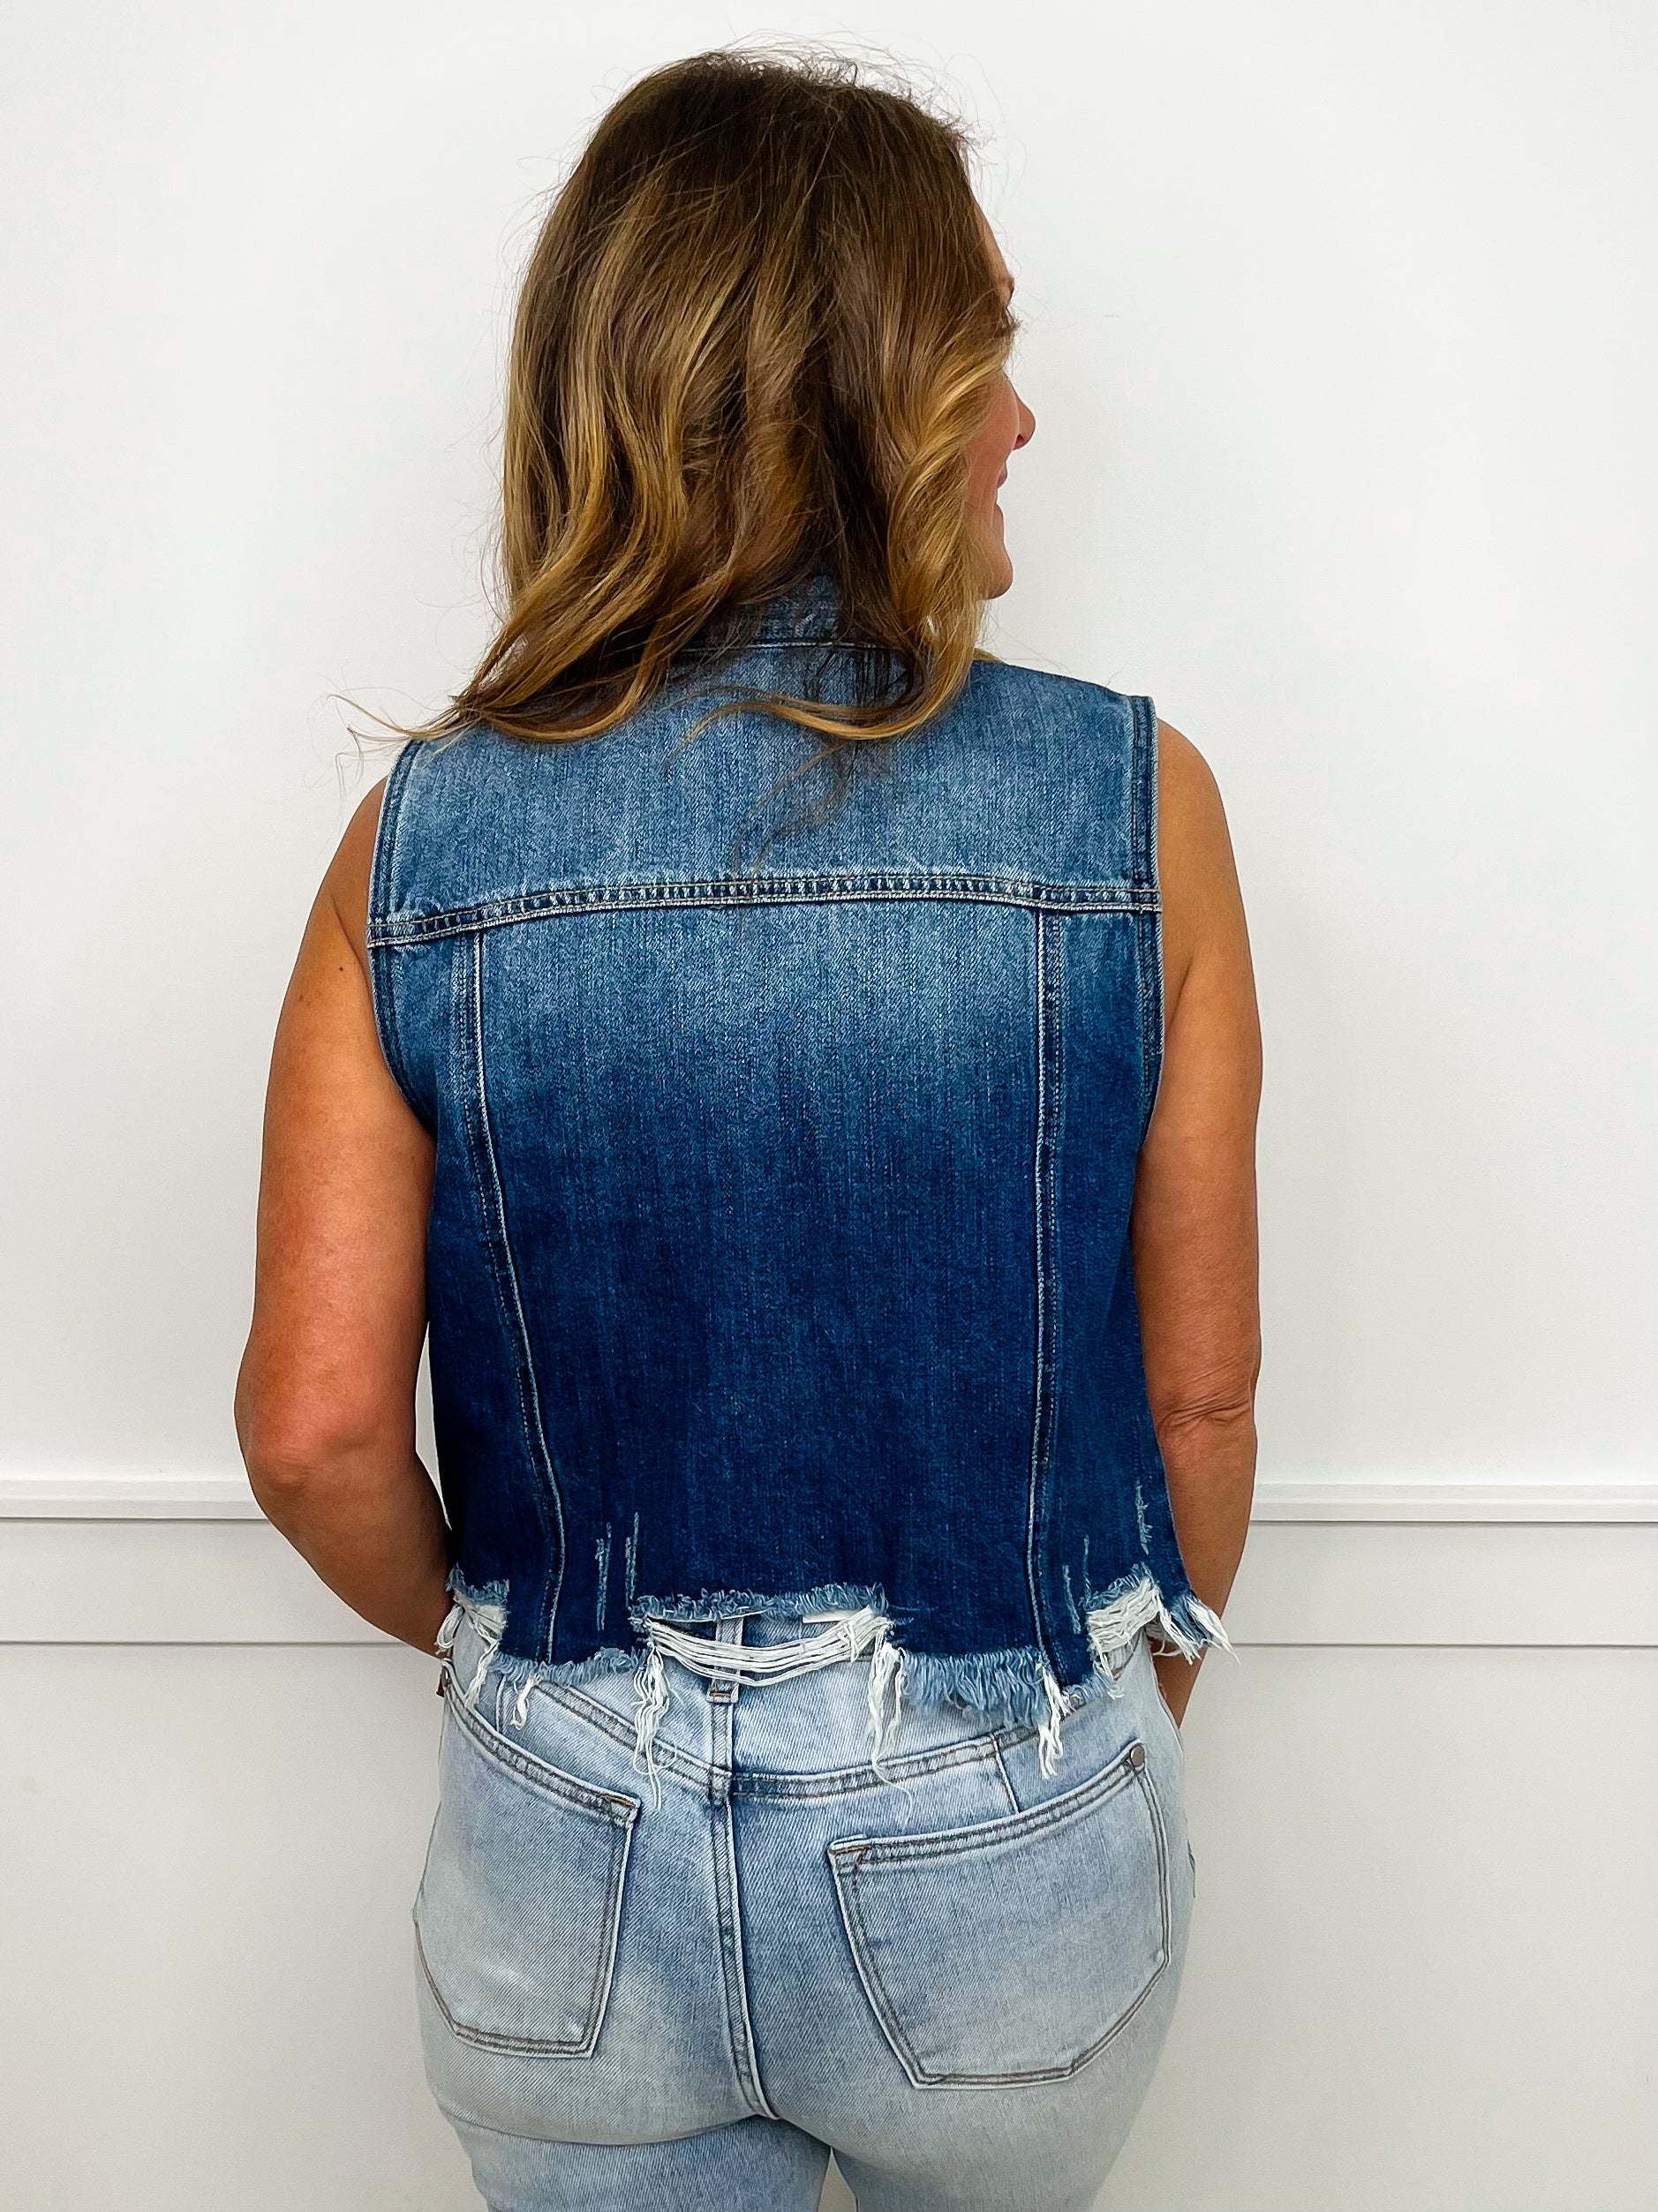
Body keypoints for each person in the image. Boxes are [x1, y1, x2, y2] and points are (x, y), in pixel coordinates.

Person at [236, 46, 1262, 2212]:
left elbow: (316, 1434)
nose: (1024, 419)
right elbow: (1200, 1399)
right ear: (872, 394)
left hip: (565, 1851)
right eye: (986, 351)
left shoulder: (413, 846)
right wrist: (1102, 1734)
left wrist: (533, 1688)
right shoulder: (1137, 810)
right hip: (1007, 1823)